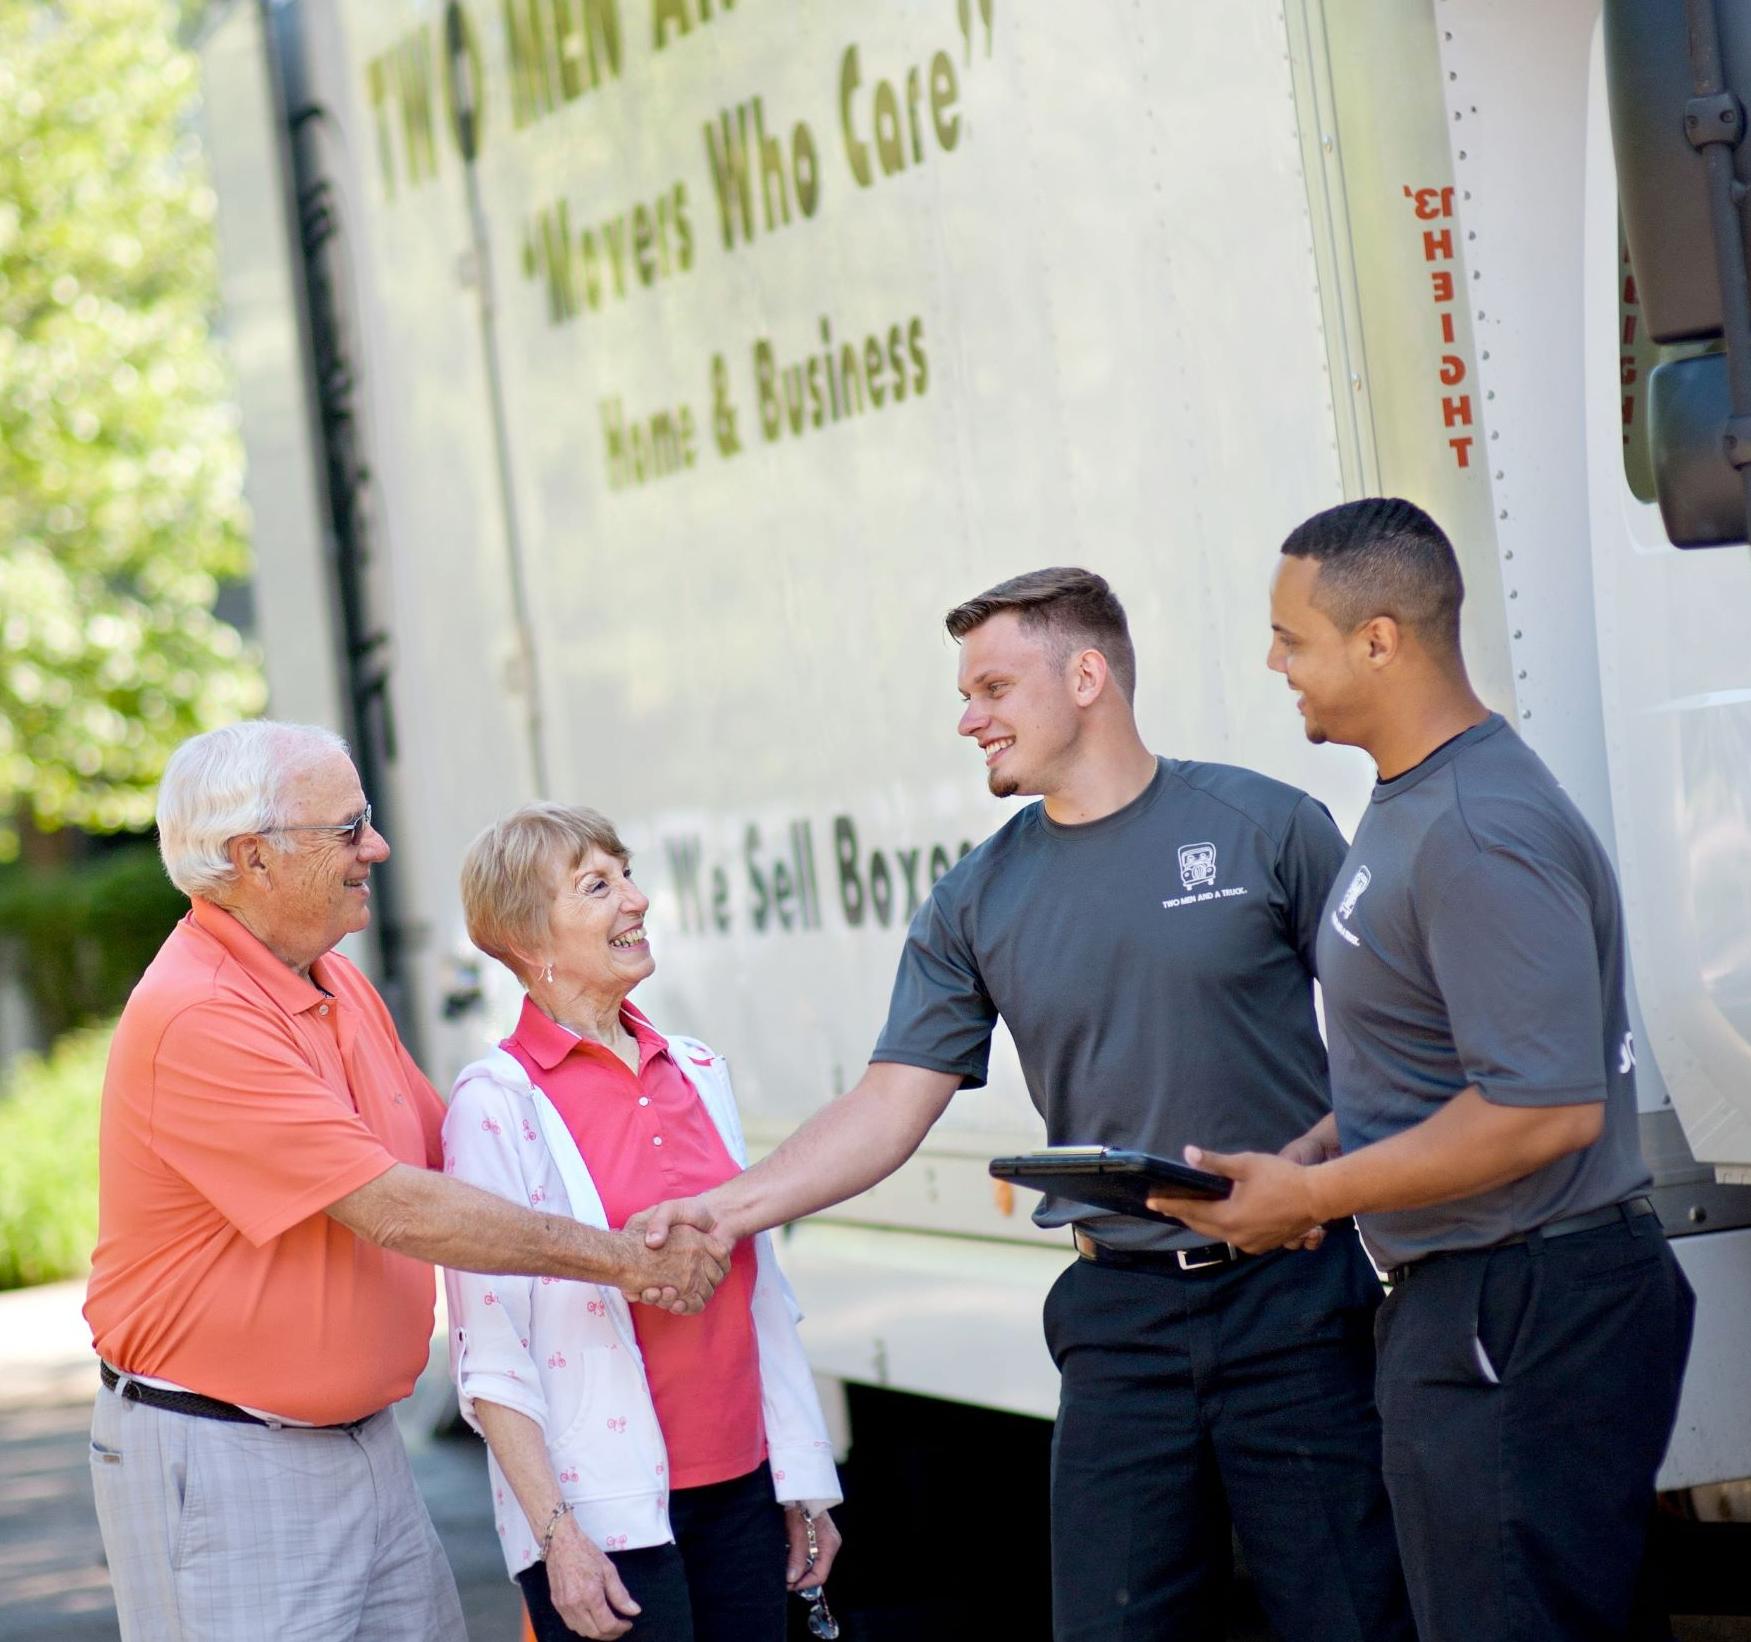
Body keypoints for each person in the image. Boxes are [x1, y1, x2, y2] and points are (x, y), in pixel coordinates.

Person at [641, 569, 1414, 1641]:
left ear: (1086, 675)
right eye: (967, 692)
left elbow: (1401, 1035)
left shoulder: (1265, 828)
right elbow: (886, 1105)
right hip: (1119, 1323)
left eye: (994, 686)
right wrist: (725, 1211)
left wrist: (1316, 1166)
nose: (969, 718)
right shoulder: (974, 897)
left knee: (1351, 1620)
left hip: (1292, 1301)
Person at [1151, 497, 1695, 1640]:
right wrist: (1310, 1150)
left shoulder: (1474, 826)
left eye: (1290, 636)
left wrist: (1310, 1196)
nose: (1271, 660)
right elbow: (1430, 1060)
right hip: (1477, 1301)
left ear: (1378, 638)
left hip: (1523, 1300)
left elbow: (1540, 1110)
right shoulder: (1410, 805)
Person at [83, 721, 731, 1642]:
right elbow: (397, 1205)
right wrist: (627, 1261)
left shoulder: (333, 985)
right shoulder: (198, 1015)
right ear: (251, 857)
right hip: (226, 1459)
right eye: (347, 829)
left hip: (359, 1446)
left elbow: (452, 1152)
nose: (376, 848)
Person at [444, 803, 842, 1642]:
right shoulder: (495, 1103)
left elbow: (761, 1288)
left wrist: (802, 1475)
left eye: (627, 875)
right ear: (527, 937)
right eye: (598, 886)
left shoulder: (696, 1070)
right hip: (604, 1517)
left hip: (743, 1491)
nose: (636, 900)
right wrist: (558, 1538)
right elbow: (490, 1353)